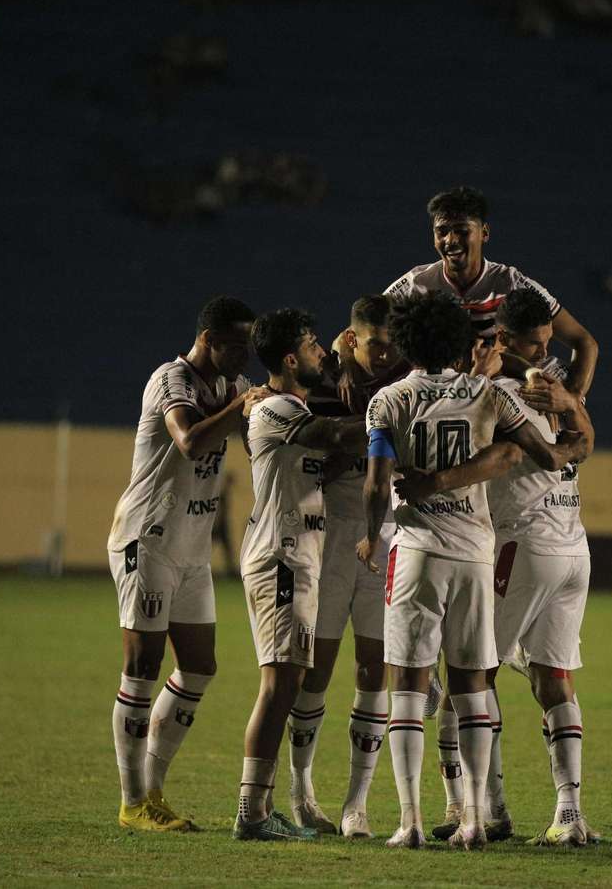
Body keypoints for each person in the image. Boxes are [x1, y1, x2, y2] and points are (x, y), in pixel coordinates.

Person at [358, 290, 589, 850]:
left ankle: (414, 819)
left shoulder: (389, 399)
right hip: (481, 554)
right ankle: (477, 821)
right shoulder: (490, 395)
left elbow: (375, 481)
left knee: (410, 686)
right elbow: (542, 453)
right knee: (473, 687)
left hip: (420, 550)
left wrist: (372, 534)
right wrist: (573, 445)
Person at [106, 295, 270, 832]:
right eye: (237, 346)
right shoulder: (169, 380)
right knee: (142, 668)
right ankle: (133, 802)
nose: (245, 358)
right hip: (147, 539)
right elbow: (191, 440)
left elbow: (259, 440)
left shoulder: (234, 388)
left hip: (192, 548)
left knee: (199, 666)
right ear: (209, 340)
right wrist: (239, 410)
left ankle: (152, 790)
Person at [234, 308, 368, 841]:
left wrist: (341, 362)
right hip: (281, 558)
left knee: (287, 682)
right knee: (279, 684)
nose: (322, 354)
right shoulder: (277, 409)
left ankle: (262, 808)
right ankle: (252, 813)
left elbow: (329, 455)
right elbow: (334, 434)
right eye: (313, 346)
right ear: (290, 359)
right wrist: (399, 413)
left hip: (298, 556)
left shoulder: (287, 406)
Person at [478, 289, 599, 847]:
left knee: (471, 674)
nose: (544, 354)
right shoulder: (557, 392)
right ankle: (569, 815)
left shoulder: (496, 395)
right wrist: (569, 407)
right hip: (573, 548)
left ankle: (489, 809)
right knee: (553, 677)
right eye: (535, 343)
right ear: (505, 339)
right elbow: (587, 440)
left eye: (548, 344)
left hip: (524, 547)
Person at [287, 296, 398, 839]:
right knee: (319, 668)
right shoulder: (320, 386)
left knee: (374, 669)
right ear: (351, 339)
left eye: (391, 344)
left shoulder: (405, 382)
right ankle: (302, 788)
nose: (385, 354)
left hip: (387, 540)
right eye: (375, 342)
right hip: (329, 541)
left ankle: (357, 803)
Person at [359, 185, 599, 408]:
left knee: (568, 408)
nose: (450, 240)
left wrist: (572, 398)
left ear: (484, 233)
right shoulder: (415, 285)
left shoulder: (511, 282)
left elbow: (585, 342)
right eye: (441, 231)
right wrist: (348, 366)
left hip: (504, 389)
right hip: (438, 391)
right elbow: (360, 326)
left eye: (462, 231)